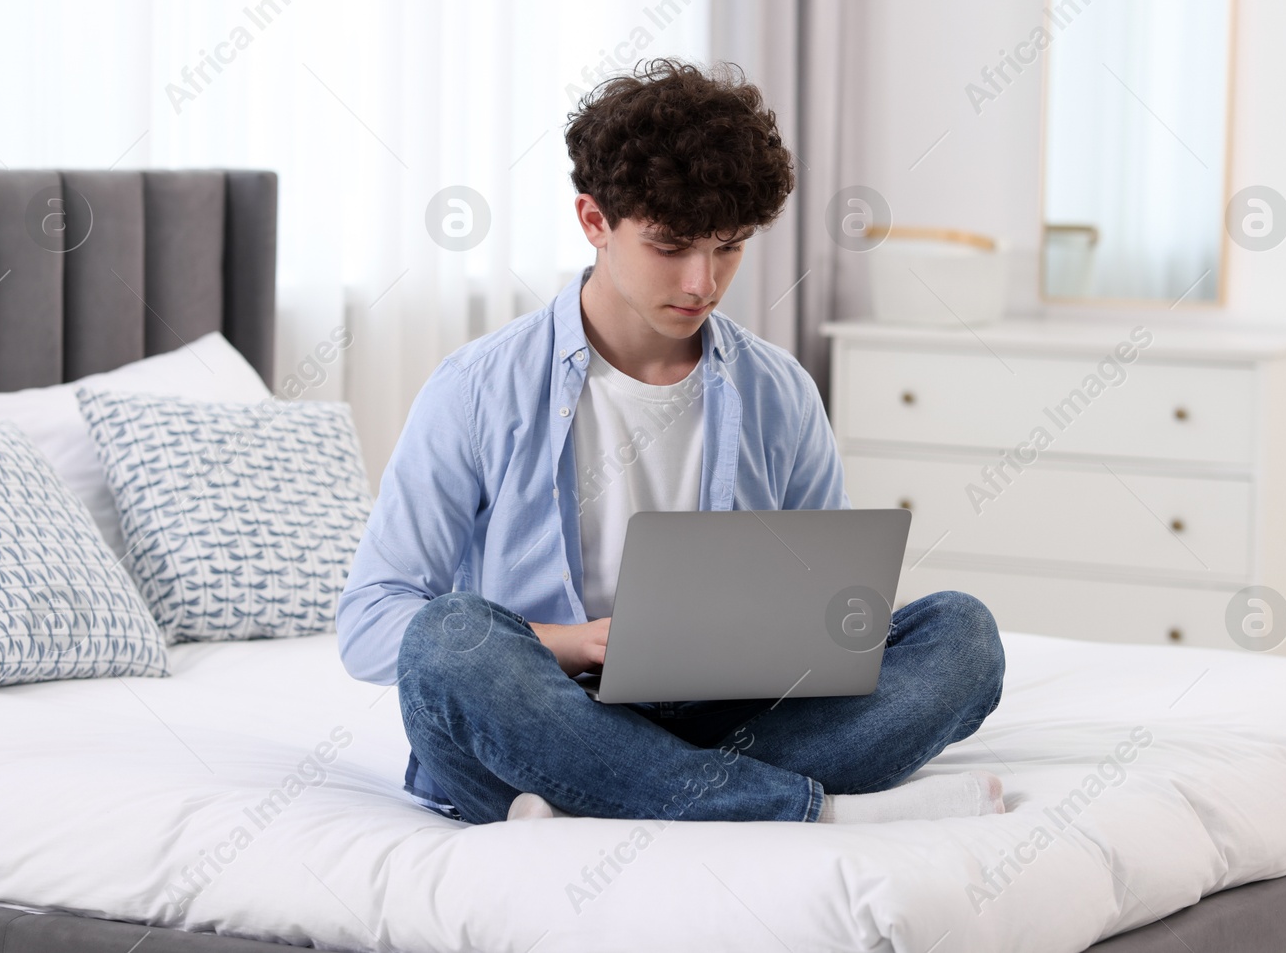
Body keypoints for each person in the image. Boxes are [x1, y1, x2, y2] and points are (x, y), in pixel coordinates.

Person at [337, 58, 1006, 825]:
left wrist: (813, 632)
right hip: (544, 705)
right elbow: (371, 621)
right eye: (671, 245)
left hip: (732, 716)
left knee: (963, 637)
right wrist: (574, 643)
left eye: (729, 247)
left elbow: (835, 609)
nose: (702, 281)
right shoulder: (477, 389)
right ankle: (808, 809)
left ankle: (612, 795)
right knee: (445, 640)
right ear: (594, 221)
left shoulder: (778, 391)